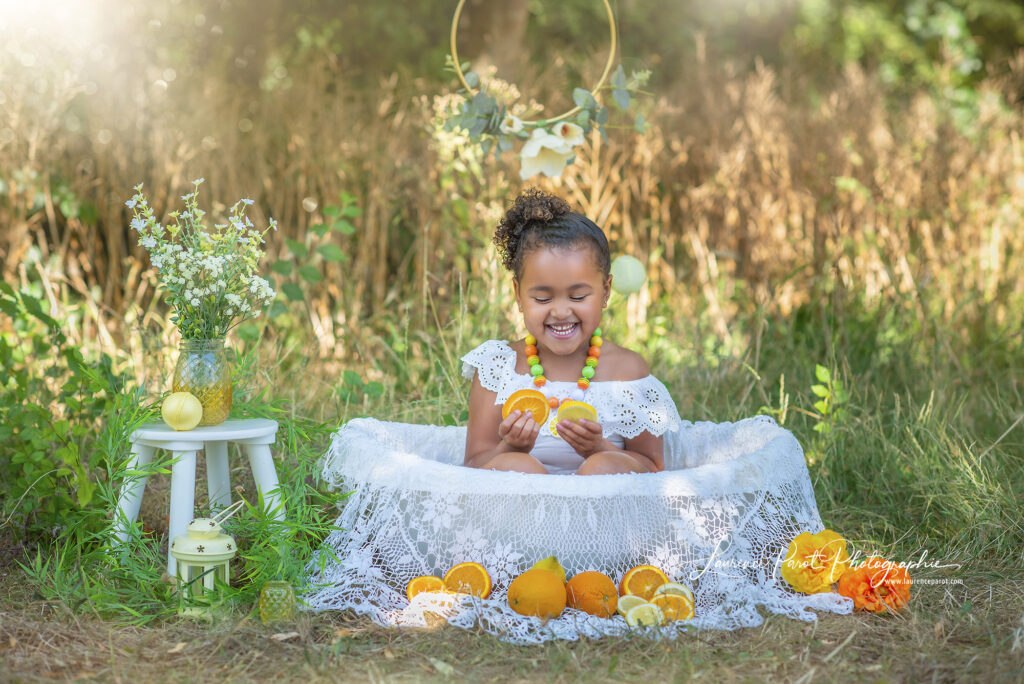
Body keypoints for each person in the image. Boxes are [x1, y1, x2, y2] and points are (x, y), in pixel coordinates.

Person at [461, 188, 681, 475]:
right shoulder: (498, 368)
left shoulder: (627, 371)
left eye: (578, 297)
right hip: (522, 512)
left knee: (603, 466)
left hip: (601, 513)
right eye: (542, 299)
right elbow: (472, 466)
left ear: (605, 292)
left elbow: (653, 467)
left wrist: (598, 448)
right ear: (518, 294)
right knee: (516, 465)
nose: (561, 312)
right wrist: (509, 448)